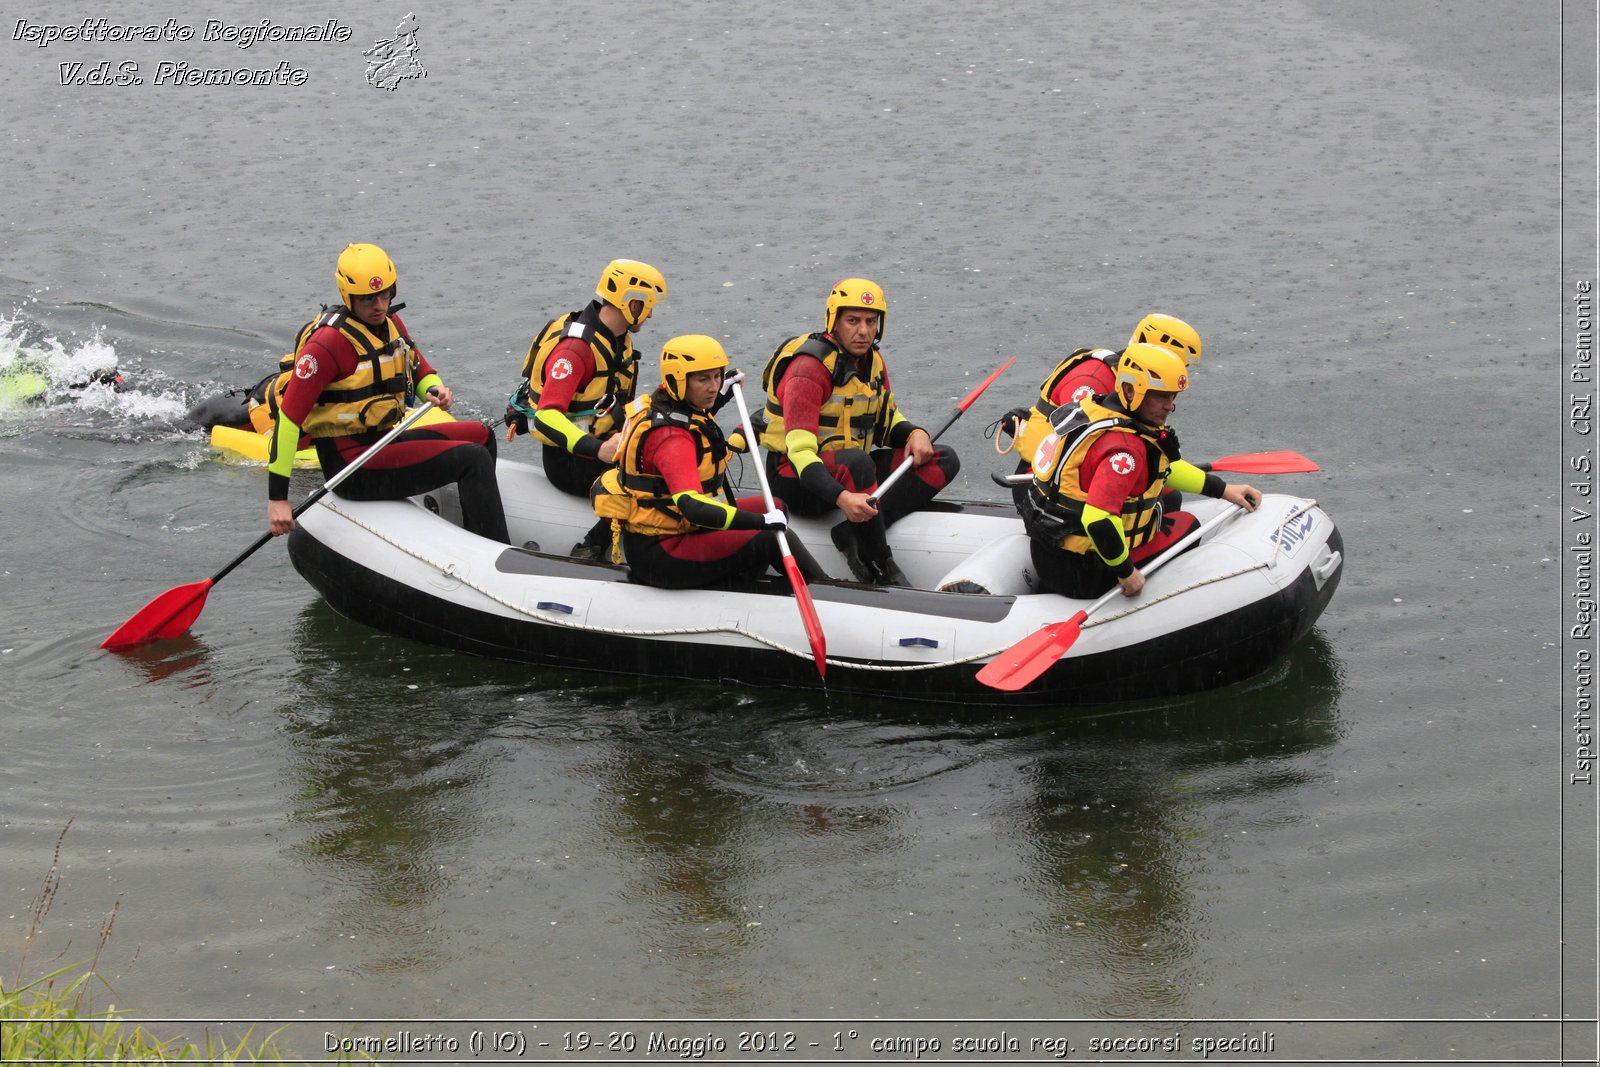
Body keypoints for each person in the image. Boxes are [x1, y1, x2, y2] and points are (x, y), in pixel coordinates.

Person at [266, 243, 509, 544]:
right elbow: (289, 420)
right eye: (368, 299)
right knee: (472, 458)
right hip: (351, 465)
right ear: (347, 295)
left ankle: (475, 524)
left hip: (384, 441)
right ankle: (494, 548)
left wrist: (434, 388)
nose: (379, 305)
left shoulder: (390, 323)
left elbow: (419, 370)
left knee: (482, 436)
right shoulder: (328, 345)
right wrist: (277, 499)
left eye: (386, 294)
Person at [757, 277, 961, 586]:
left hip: (850, 471)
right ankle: (878, 560)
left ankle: (852, 531)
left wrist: (914, 433)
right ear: (834, 320)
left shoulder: (872, 361)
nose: (863, 331)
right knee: (857, 463)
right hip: (796, 480)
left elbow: (886, 422)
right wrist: (841, 498)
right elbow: (799, 454)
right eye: (852, 321)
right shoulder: (808, 370)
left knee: (943, 458)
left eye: (871, 321)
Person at [1021, 342, 1260, 600]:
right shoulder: (1125, 450)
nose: (1170, 406)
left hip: (1047, 552)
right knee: (1188, 525)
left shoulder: (1096, 409)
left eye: (1173, 396)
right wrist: (1126, 573)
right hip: (1083, 573)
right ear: (1129, 390)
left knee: (1168, 499)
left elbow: (1166, 470)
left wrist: (1223, 490)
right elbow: (1098, 520)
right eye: (1160, 396)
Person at [590, 334, 829, 589]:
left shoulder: (668, 403)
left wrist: (724, 393)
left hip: (682, 528)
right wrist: (759, 523)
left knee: (776, 506)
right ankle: (829, 592)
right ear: (679, 380)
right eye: (703, 379)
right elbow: (691, 506)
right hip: (662, 553)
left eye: (716, 376)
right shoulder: (670, 438)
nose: (713, 386)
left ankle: (741, 575)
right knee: (770, 537)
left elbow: (694, 419)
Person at [506, 259, 666, 558]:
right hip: (570, 461)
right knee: (654, 481)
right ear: (630, 301)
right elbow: (545, 418)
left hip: (605, 444)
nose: (651, 313)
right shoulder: (576, 350)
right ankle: (590, 548)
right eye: (648, 304)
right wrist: (599, 449)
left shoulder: (617, 339)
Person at [1000, 313, 1203, 507]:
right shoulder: (1093, 380)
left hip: (1080, 476)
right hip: (1041, 487)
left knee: (1168, 495)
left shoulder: (1136, 388)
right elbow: (1080, 448)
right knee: (1163, 500)